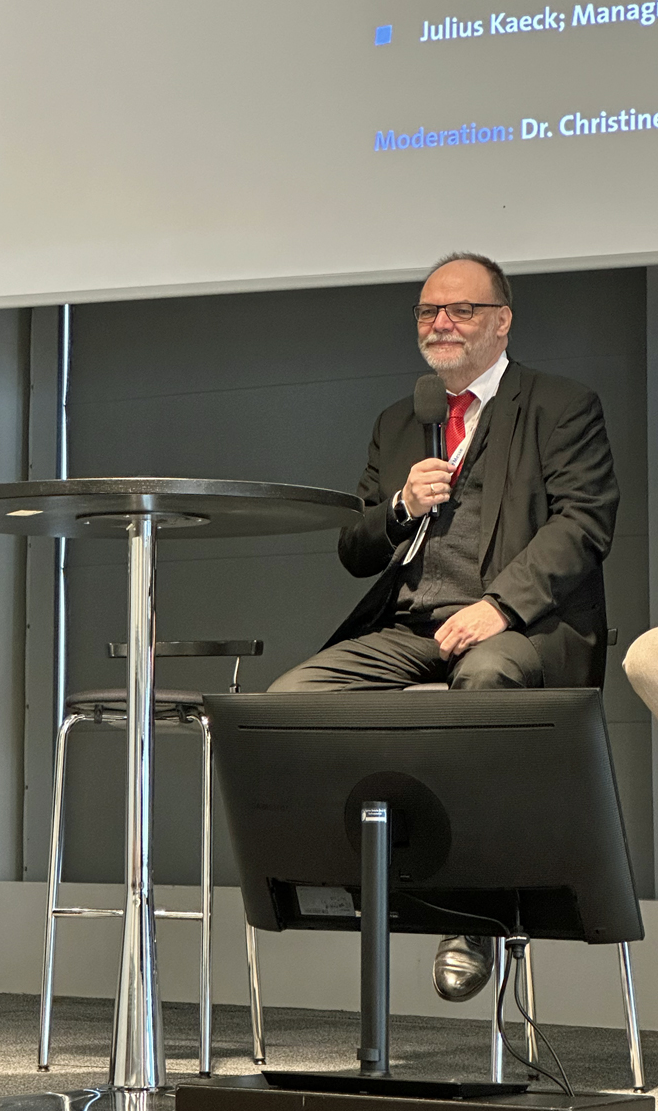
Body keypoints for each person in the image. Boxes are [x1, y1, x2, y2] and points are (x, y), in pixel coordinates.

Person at [269, 252, 619, 999]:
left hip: (522, 627)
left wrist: (499, 607)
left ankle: (478, 911)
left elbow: (584, 525)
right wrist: (399, 507)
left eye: (460, 309)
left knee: (484, 680)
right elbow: (354, 547)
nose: (442, 324)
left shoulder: (560, 404)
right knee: (290, 700)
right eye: (429, 311)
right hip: (411, 630)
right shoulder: (402, 421)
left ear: (502, 320)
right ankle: (360, 882)